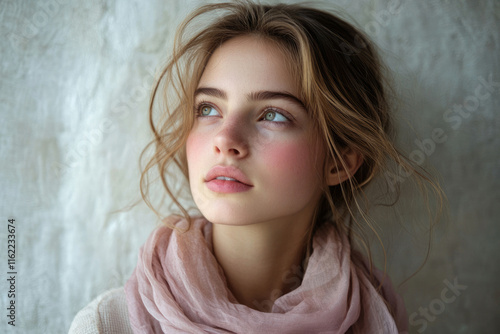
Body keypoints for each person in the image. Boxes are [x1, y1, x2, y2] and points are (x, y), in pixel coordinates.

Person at [70, 1, 442, 333]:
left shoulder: (379, 317)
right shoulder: (109, 324)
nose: (225, 139)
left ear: (339, 162)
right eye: (208, 109)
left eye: (272, 115)